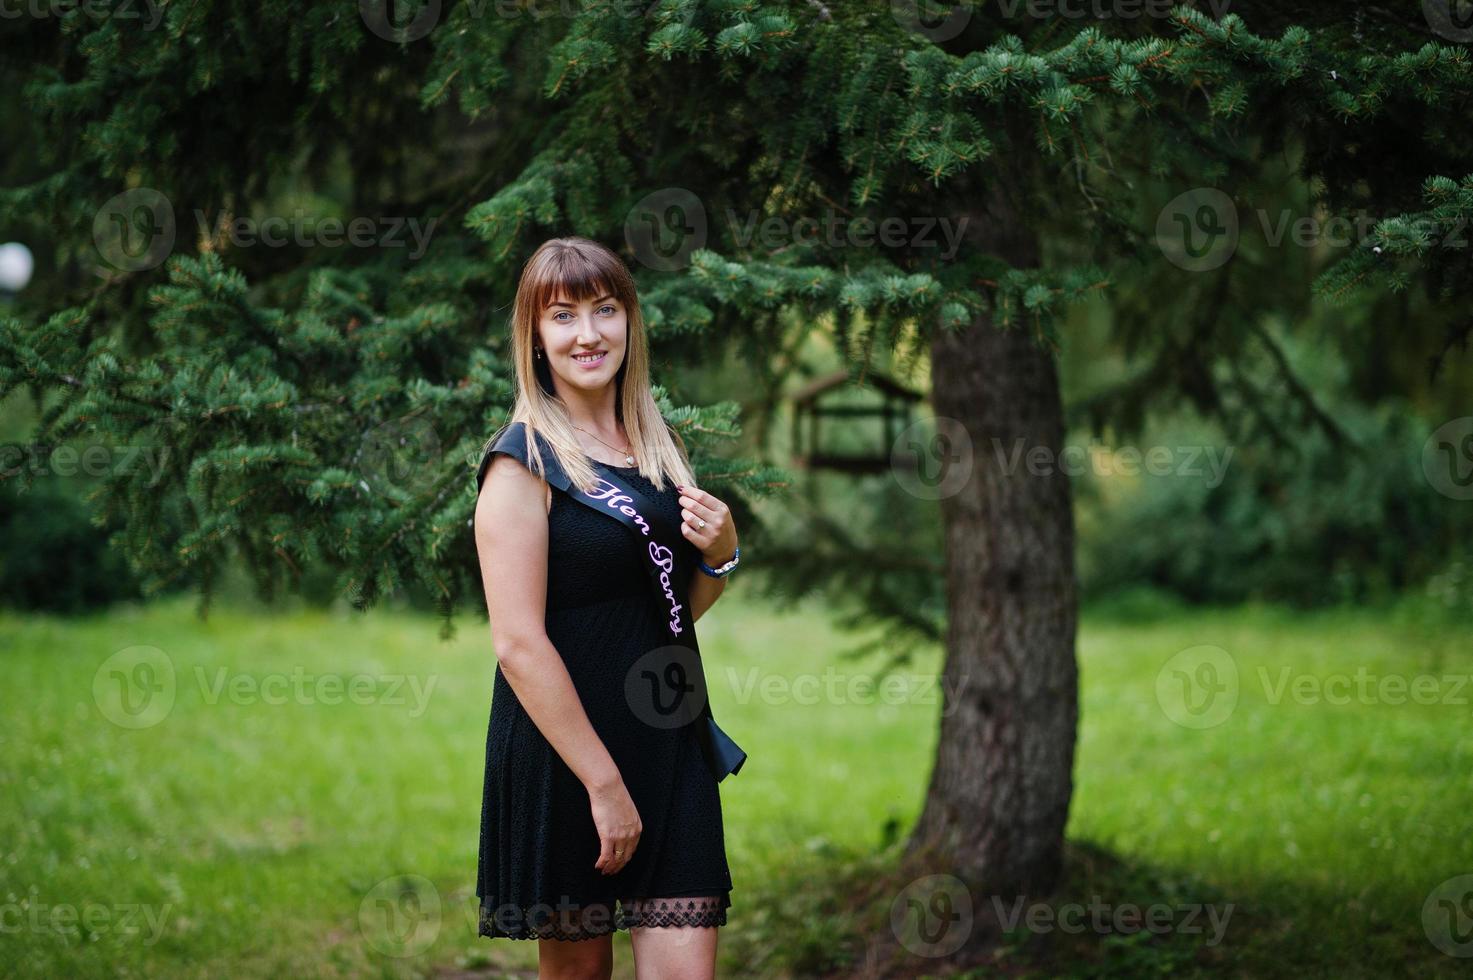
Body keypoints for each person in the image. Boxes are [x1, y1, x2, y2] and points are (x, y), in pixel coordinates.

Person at [471, 236, 742, 980]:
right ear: (535, 337)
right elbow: (517, 644)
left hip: (666, 738)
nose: (587, 334)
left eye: (604, 310)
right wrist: (602, 782)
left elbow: (670, 610)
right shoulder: (520, 464)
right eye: (562, 316)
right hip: (567, 753)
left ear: (629, 321)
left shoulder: (654, 446)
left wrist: (722, 554)